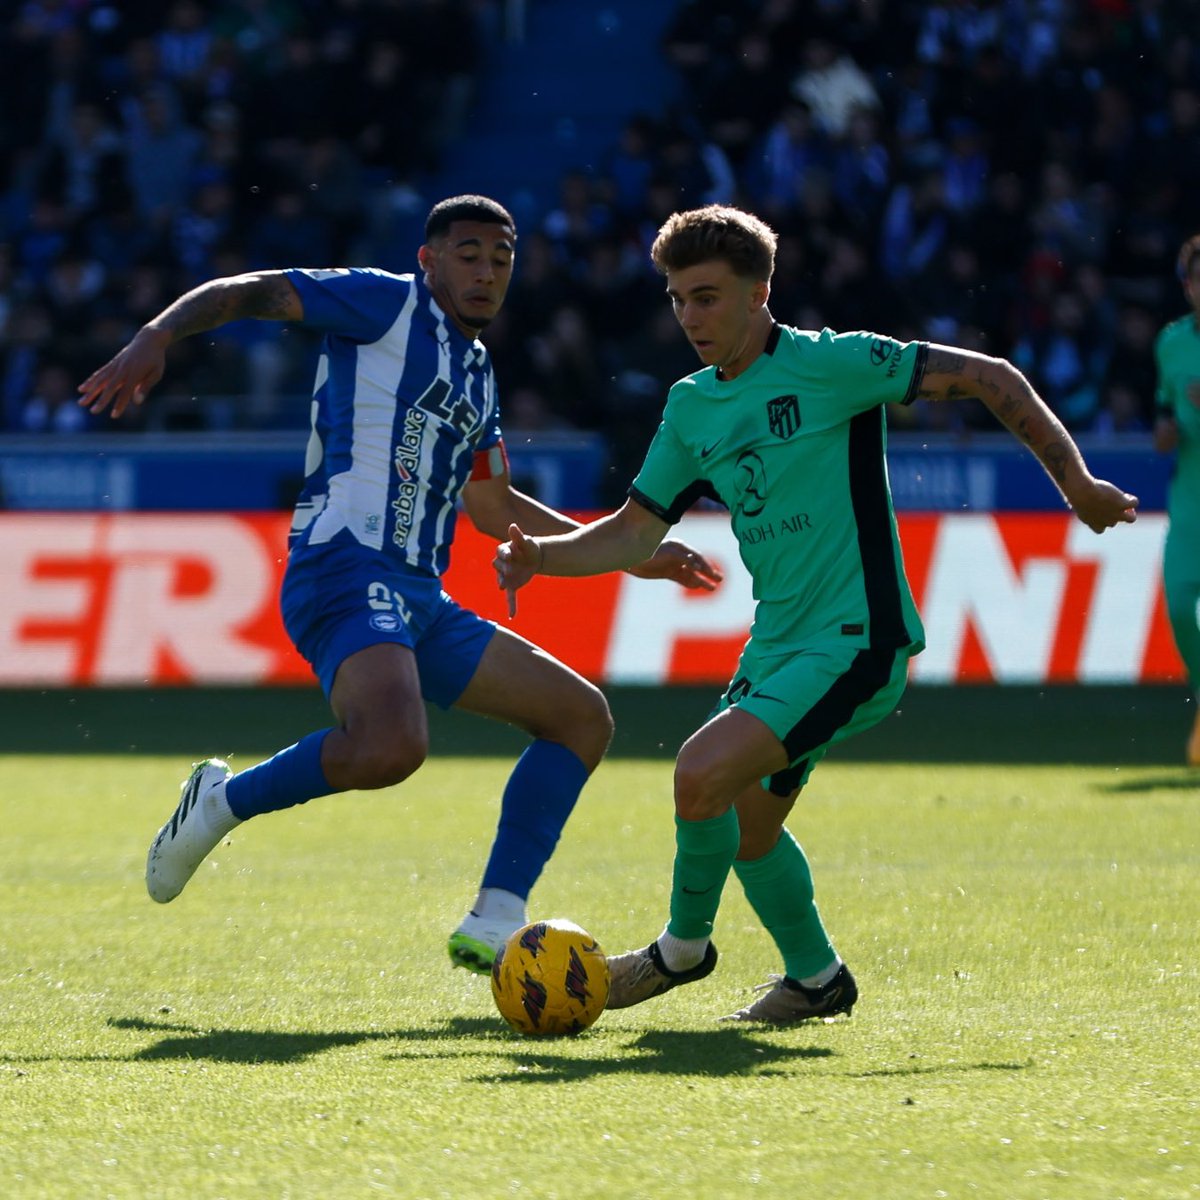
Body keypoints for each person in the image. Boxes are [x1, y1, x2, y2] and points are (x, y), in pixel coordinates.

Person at [494, 204, 1139, 1023]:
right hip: (778, 648)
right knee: (747, 833)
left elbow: (992, 376)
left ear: (762, 290)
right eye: (678, 299)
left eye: (708, 297)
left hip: (858, 638)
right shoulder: (692, 407)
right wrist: (539, 557)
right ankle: (817, 980)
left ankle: (678, 954)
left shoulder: (833, 364)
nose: (689, 317)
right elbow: (631, 531)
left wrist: (1076, 486)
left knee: (699, 772)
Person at [77, 194, 721, 973]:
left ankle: (497, 916)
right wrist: (157, 334)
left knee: (581, 718)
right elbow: (251, 290)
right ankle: (219, 804)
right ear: (429, 258)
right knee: (391, 745)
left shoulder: (478, 374)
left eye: (502, 257)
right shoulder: (383, 304)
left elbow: (491, 505)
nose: (486, 271)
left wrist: (630, 552)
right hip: (342, 567)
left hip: (421, 599)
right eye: (469, 253)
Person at [1153, 233, 1200, 765]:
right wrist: (1165, 431)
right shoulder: (1171, 343)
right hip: (1190, 499)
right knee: (1182, 610)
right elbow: (1165, 410)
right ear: (1188, 287)